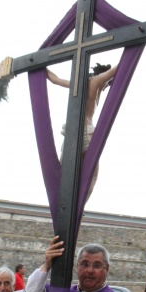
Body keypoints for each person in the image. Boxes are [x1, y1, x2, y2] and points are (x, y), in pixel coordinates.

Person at [47, 62, 117, 199]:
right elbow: (118, 68)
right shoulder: (96, 81)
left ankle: (65, 201)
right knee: (92, 175)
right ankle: (80, 205)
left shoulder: (78, 85)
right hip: (86, 132)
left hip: (71, 132)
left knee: (64, 174)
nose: (105, 88)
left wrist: (41, 67)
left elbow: (55, 80)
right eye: (107, 84)